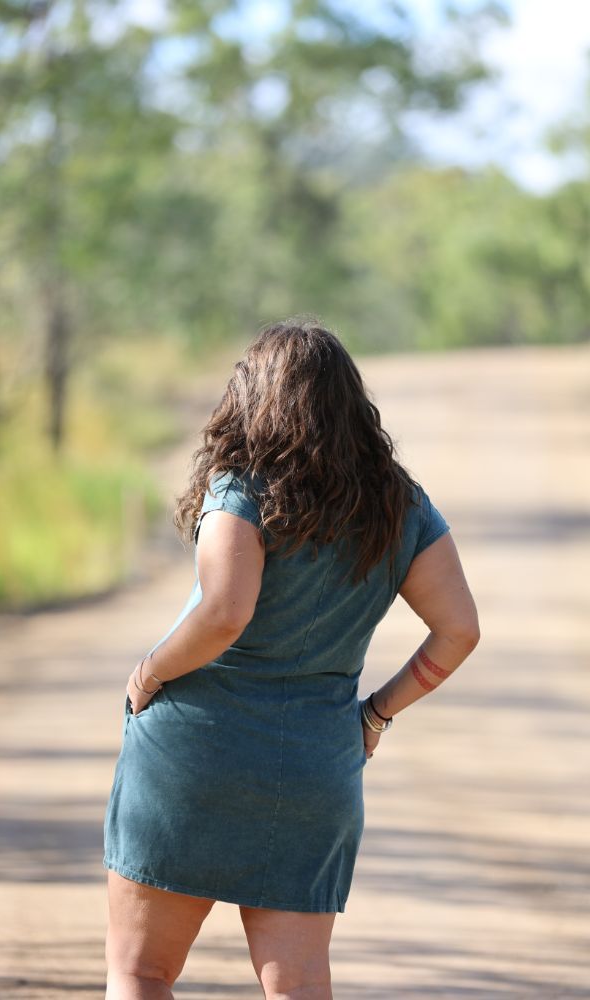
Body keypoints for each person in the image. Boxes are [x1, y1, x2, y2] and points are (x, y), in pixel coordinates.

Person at [102, 319, 480, 999]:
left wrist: (150, 671)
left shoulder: (240, 489)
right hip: (312, 767)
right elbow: (459, 630)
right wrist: (375, 715)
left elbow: (223, 614)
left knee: (142, 971)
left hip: (193, 754)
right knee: (299, 984)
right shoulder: (401, 507)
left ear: (254, 398)